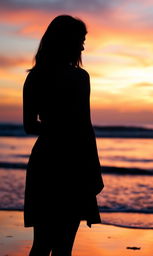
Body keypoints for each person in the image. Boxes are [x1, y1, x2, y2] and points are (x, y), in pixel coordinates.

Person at [23, 15, 104, 256]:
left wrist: (55, 129)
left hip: (45, 160)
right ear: (66, 41)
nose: (82, 46)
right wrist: (93, 171)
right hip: (73, 163)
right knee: (63, 248)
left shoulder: (35, 76)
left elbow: (29, 126)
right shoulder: (80, 78)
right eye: (80, 40)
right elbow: (84, 127)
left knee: (41, 245)